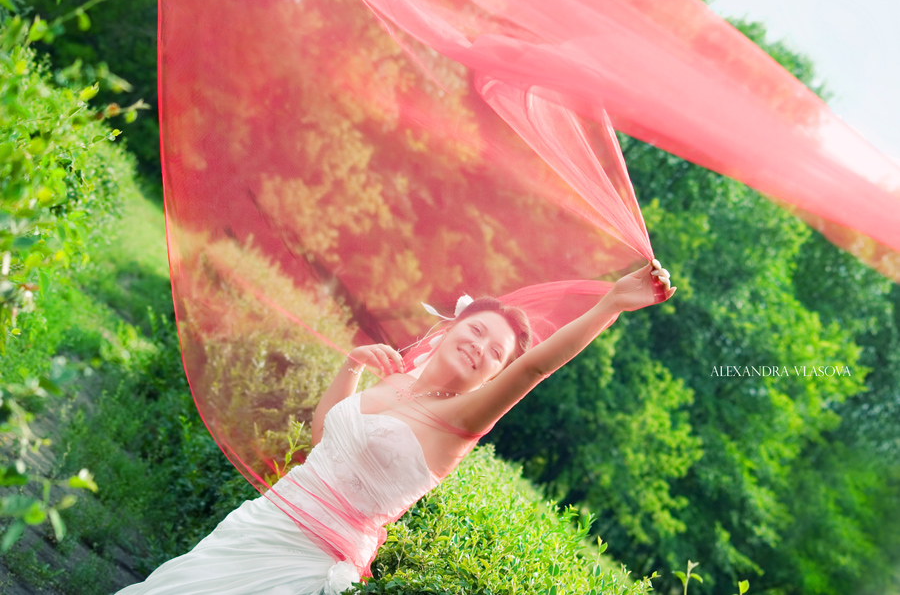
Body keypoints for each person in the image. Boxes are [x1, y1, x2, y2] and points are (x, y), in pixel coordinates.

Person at [116, 261, 674, 595]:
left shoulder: (459, 421)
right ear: (453, 325)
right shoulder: (396, 381)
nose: (480, 348)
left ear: (497, 373)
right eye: (476, 331)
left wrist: (611, 303)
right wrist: (351, 365)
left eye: (494, 353)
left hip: (307, 560)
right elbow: (323, 443)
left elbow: (537, 365)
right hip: (262, 519)